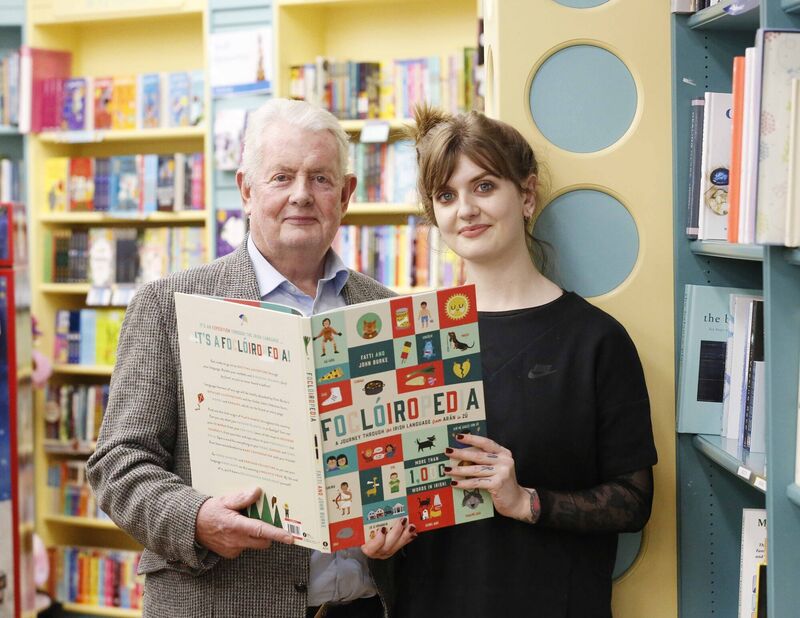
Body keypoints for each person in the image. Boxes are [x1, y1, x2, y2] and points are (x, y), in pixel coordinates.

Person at [86, 98, 414, 618]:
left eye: (321, 179)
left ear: (347, 195)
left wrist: (401, 519)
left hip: (363, 605)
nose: (301, 195)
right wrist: (196, 519)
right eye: (282, 177)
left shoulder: (389, 313)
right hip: (222, 603)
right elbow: (118, 465)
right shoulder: (169, 306)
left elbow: (408, 460)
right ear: (247, 189)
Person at [391, 106, 658, 617]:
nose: (465, 209)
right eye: (446, 196)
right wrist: (375, 535)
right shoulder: (410, 338)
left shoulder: (596, 339)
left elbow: (633, 501)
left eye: (484, 186)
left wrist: (525, 501)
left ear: (528, 195)